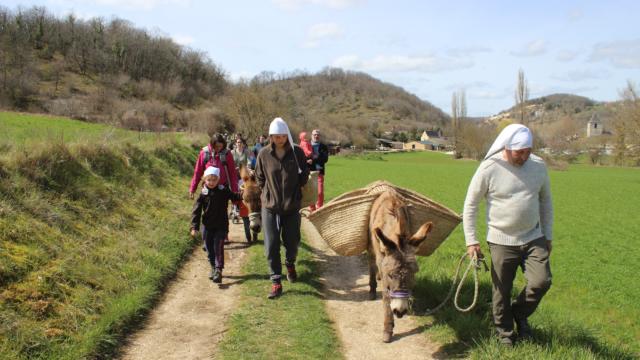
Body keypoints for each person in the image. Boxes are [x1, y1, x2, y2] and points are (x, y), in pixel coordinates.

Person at [462, 124, 553, 346]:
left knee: (542, 282)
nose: (523, 156)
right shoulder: (489, 168)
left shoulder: (539, 166)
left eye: (527, 151)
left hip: (533, 236)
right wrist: (471, 240)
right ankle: (505, 333)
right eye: (518, 152)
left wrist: (548, 235)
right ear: (507, 147)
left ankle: (519, 314)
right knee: (501, 290)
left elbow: (546, 201)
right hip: (501, 240)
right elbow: (470, 205)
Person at [255, 117, 309, 299]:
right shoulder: (263, 154)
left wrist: (297, 189)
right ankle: (276, 281)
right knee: (271, 244)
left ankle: (290, 262)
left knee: (292, 241)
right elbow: (259, 177)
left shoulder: (297, 153)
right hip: (270, 207)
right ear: (271, 136)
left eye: (283, 136)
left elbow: (305, 175)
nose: (279, 139)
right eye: (276, 136)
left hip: (292, 206)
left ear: (287, 135)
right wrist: (267, 193)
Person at [190, 166, 243, 283]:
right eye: (209, 180)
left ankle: (218, 270)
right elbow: (196, 211)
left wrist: (243, 194)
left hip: (221, 225)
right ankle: (213, 267)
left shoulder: (223, 190)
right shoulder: (203, 194)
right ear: (205, 180)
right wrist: (194, 226)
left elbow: (234, 197)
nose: (212, 182)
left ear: (218, 180)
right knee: (209, 248)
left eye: (214, 180)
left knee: (218, 247)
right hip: (207, 226)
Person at [231, 137, 255, 243]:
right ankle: (234, 210)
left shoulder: (247, 152)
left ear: (243, 144)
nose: (239, 144)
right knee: (234, 193)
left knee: (243, 192)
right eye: (237, 142)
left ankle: (245, 208)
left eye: (240, 142)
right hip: (234, 176)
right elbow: (230, 162)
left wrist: (247, 168)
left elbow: (249, 161)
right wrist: (234, 168)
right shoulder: (232, 152)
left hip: (244, 176)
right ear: (235, 143)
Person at [309, 129, 329, 211]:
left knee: (320, 192)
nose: (316, 136)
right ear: (311, 135)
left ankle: (320, 208)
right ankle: (312, 209)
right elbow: (304, 157)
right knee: (310, 192)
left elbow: (325, 159)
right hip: (309, 172)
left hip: (319, 171)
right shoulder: (307, 145)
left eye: (318, 135)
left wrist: (313, 159)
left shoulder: (324, 146)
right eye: (314, 134)